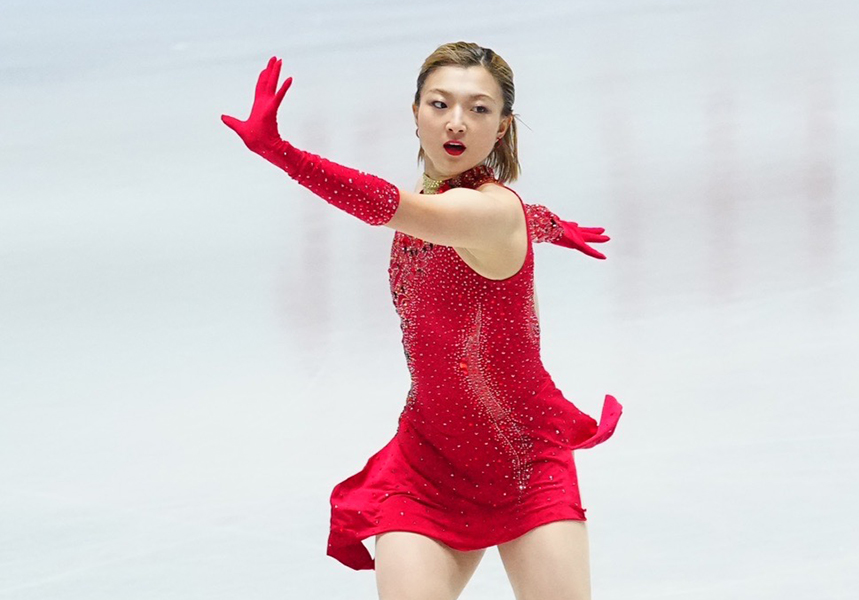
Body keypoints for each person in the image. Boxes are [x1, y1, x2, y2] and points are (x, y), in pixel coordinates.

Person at [222, 41, 622, 600]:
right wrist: (550, 225)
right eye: (439, 104)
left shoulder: (483, 209)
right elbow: (481, 214)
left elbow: (392, 206)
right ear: (415, 113)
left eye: (479, 109)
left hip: (523, 459)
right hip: (429, 458)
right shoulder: (463, 207)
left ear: (503, 127)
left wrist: (280, 151)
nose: (456, 122)